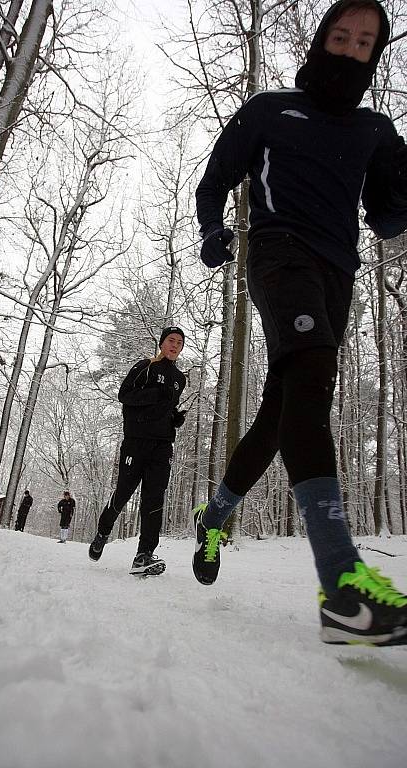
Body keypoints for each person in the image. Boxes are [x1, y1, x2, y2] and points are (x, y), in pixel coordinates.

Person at [193, 0, 407, 645]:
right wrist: (213, 230)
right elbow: (216, 178)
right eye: (339, 35)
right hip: (279, 251)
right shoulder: (269, 110)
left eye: (364, 41)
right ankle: (344, 587)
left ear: (374, 55)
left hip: (338, 272)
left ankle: (215, 516)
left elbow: (389, 218)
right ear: (321, 40)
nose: (349, 48)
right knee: (310, 379)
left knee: (281, 410)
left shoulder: (374, 129)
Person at [89, 327, 187, 576]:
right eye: (170, 341)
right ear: (162, 343)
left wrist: (174, 418)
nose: (175, 345)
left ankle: (143, 555)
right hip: (136, 441)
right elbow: (125, 396)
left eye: (179, 342)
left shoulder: (180, 379)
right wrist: (155, 394)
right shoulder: (145, 366)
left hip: (163, 445)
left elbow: (167, 407)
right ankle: (103, 531)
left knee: (154, 498)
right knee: (124, 492)